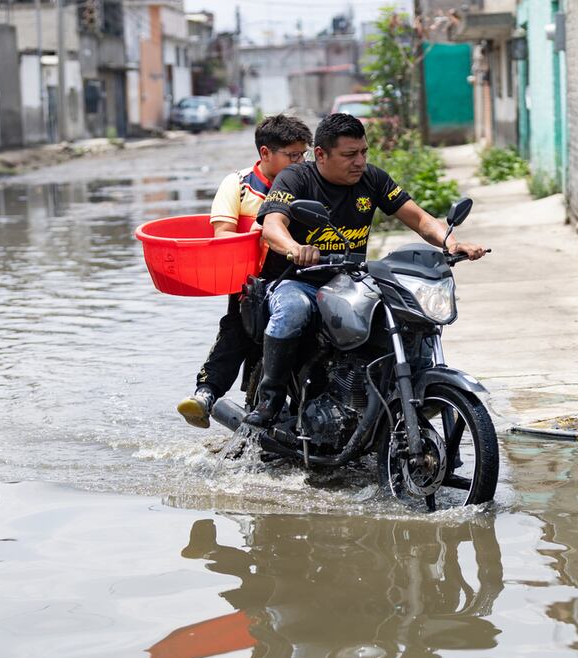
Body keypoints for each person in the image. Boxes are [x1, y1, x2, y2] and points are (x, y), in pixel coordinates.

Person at [245, 113, 487, 427]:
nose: (359, 161)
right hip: (298, 280)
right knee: (293, 310)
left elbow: (419, 219)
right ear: (320, 154)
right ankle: (270, 399)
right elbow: (272, 227)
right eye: (349, 155)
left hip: (350, 280)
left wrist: (450, 242)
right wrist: (295, 248)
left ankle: (393, 394)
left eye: (363, 152)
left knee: (403, 312)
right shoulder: (295, 178)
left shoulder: (372, 179)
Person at [177, 114, 313, 428]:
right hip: (250, 280)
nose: (299, 161)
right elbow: (222, 234)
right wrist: (261, 231)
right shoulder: (238, 185)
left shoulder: (308, 182)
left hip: (297, 276)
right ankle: (206, 394)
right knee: (236, 330)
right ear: (265, 153)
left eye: (302, 154)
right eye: (292, 155)